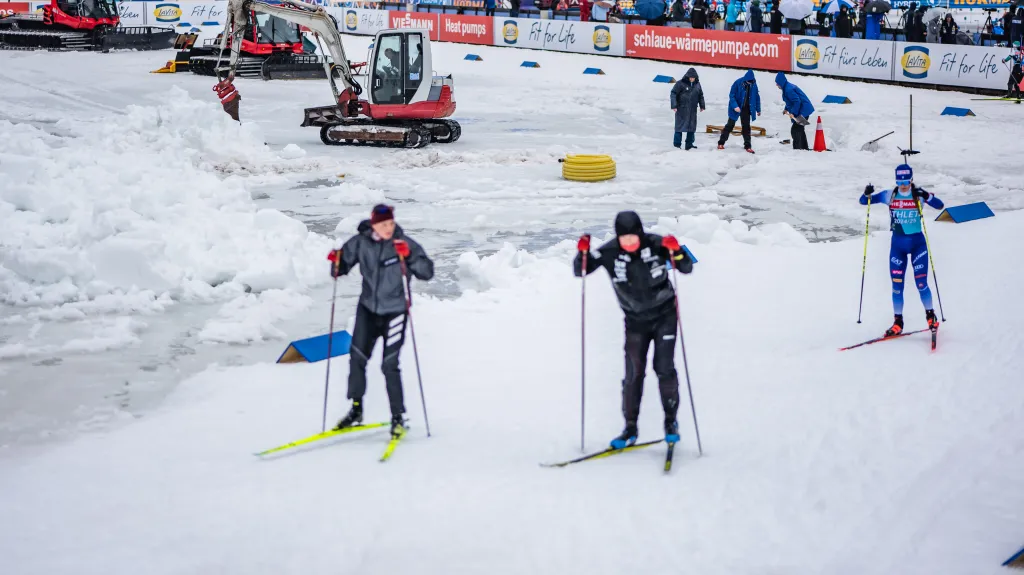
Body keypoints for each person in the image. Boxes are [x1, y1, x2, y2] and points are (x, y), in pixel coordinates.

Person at [573, 211, 694, 448]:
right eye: (623, 238)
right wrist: (582, 253)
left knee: (664, 367)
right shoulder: (609, 252)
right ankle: (630, 428)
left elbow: (687, 267)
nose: (628, 243)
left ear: (640, 233)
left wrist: (677, 250)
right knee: (633, 374)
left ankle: (671, 422)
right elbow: (581, 271)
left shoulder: (658, 244)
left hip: (665, 316)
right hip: (635, 321)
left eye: (632, 238)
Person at [329, 205, 435, 438]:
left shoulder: (403, 242)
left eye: (391, 223)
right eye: (383, 224)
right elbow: (340, 268)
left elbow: (427, 272)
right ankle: (356, 410)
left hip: (396, 312)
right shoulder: (360, 242)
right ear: (374, 224)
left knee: (389, 365)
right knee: (357, 358)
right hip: (368, 310)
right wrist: (336, 262)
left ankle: (398, 417)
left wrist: (408, 256)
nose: (389, 228)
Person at [859, 165, 944, 337]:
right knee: (897, 287)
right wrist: (866, 193)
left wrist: (927, 196)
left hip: (918, 244)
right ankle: (898, 322)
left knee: (921, 283)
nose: (903, 184)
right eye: (899, 181)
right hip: (897, 246)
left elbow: (940, 205)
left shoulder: (918, 195)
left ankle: (931, 316)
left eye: (906, 180)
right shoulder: (889, 195)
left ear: (911, 179)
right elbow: (864, 201)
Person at [718, 69, 760, 154]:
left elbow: (757, 97)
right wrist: (735, 106)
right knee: (730, 125)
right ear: (745, 79)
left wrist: (758, 109)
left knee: (746, 127)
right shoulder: (737, 83)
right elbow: (732, 95)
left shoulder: (754, 85)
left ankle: (748, 146)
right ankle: (721, 143)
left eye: (751, 82)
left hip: (746, 109)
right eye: (748, 81)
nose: (749, 83)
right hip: (736, 107)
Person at [775, 72, 813, 150]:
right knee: (800, 129)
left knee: (795, 130)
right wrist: (786, 109)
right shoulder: (786, 88)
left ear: (781, 82)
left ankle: (797, 149)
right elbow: (790, 101)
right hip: (803, 109)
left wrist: (793, 113)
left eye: (777, 83)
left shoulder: (788, 89)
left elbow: (796, 101)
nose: (776, 85)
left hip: (803, 110)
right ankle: (804, 148)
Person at [671, 68, 706, 150]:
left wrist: (702, 105)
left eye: (693, 77)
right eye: (690, 77)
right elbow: (673, 93)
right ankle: (677, 145)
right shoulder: (680, 83)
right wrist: (674, 105)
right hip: (681, 109)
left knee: (691, 128)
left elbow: (700, 95)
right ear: (687, 76)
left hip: (692, 110)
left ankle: (689, 145)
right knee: (679, 127)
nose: (691, 79)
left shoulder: (697, 84)